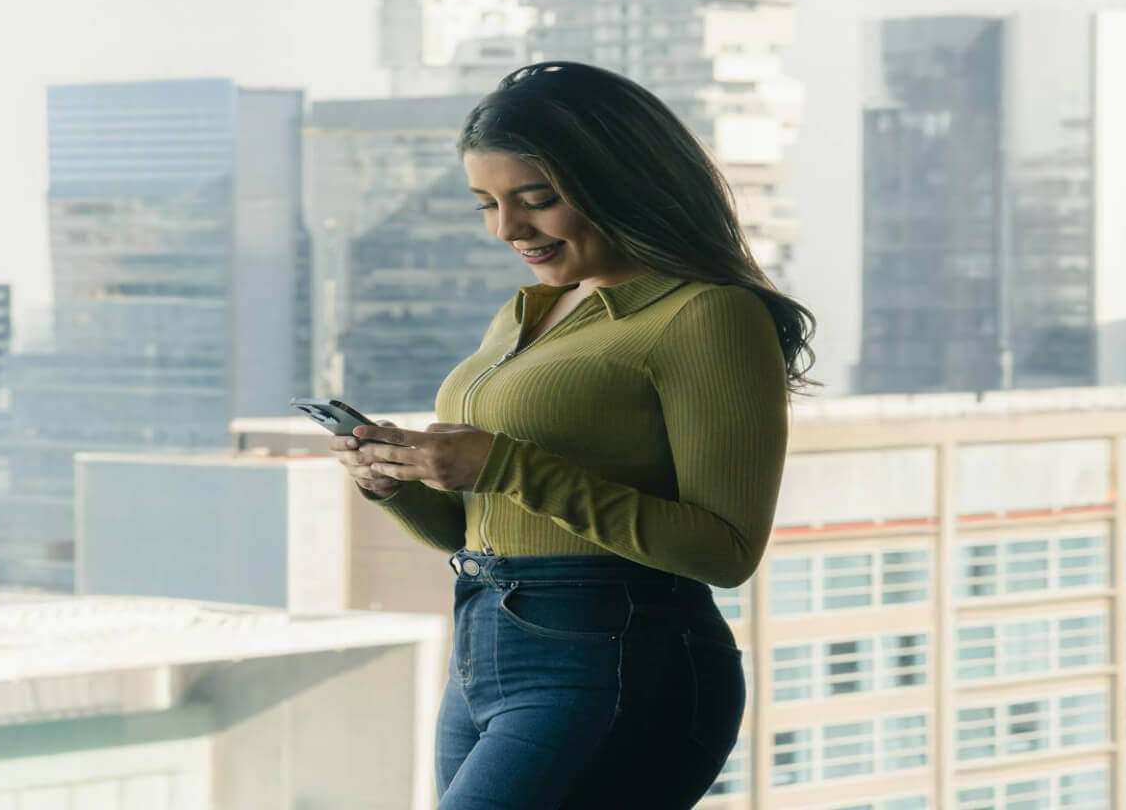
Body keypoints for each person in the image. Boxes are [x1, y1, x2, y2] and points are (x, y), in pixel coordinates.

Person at [327, 60, 816, 809]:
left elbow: (724, 551)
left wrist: (503, 464)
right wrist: (395, 482)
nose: (506, 229)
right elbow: (482, 523)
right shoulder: (533, 311)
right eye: (485, 203)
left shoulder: (708, 316)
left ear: (620, 183)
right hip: (484, 646)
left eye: (537, 201)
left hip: (615, 659)